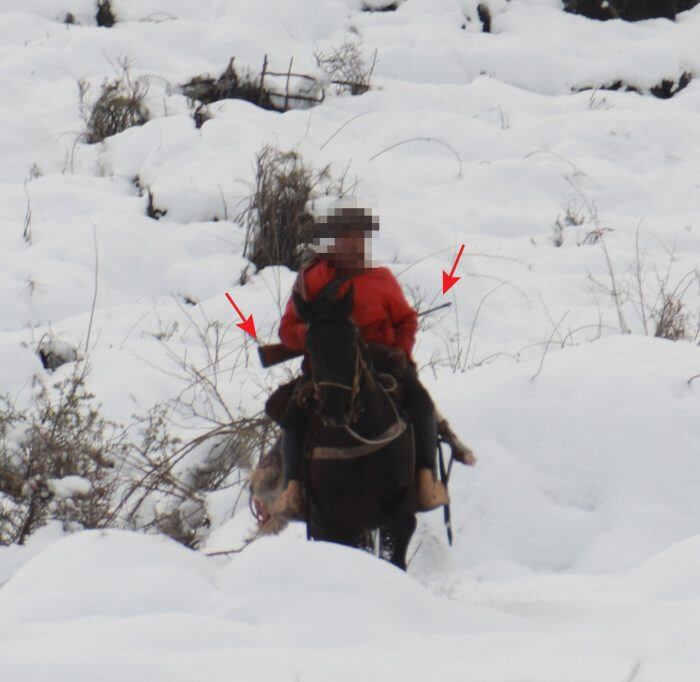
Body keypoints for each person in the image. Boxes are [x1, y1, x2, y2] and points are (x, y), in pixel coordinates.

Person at [274, 197, 450, 519]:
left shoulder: (382, 279)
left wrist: (399, 350)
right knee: (293, 416)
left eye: (360, 238)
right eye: (348, 238)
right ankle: (293, 488)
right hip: (329, 366)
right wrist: (315, 337)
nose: (356, 246)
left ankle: (425, 482)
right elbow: (287, 329)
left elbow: (406, 321)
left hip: (382, 361)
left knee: (422, 406)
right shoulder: (312, 280)